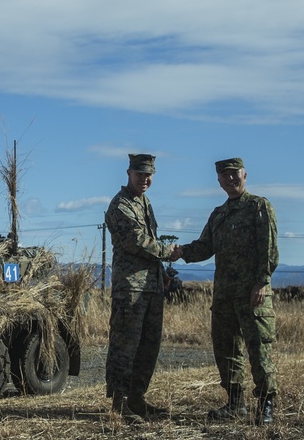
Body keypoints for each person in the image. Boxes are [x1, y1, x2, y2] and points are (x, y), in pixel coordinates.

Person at [175, 158, 279, 425]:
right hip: (223, 296)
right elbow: (204, 247)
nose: (230, 180)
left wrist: (261, 282)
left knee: (258, 350)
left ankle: (266, 405)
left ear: (245, 175)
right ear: (219, 181)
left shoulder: (259, 207)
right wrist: (180, 252)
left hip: (252, 293)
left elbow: (269, 249)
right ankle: (235, 404)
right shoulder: (218, 214)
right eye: (225, 176)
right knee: (227, 350)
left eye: (235, 174)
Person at [104, 153, 180, 420]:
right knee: (125, 347)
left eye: (149, 175)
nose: (145, 179)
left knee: (148, 347)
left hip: (150, 287)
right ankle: (120, 403)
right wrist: (168, 251)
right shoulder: (121, 205)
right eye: (140, 174)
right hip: (131, 290)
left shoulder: (144, 203)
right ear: (128, 173)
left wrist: (161, 275)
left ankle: (137, 399)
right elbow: (137, 242)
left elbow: (148, 243)